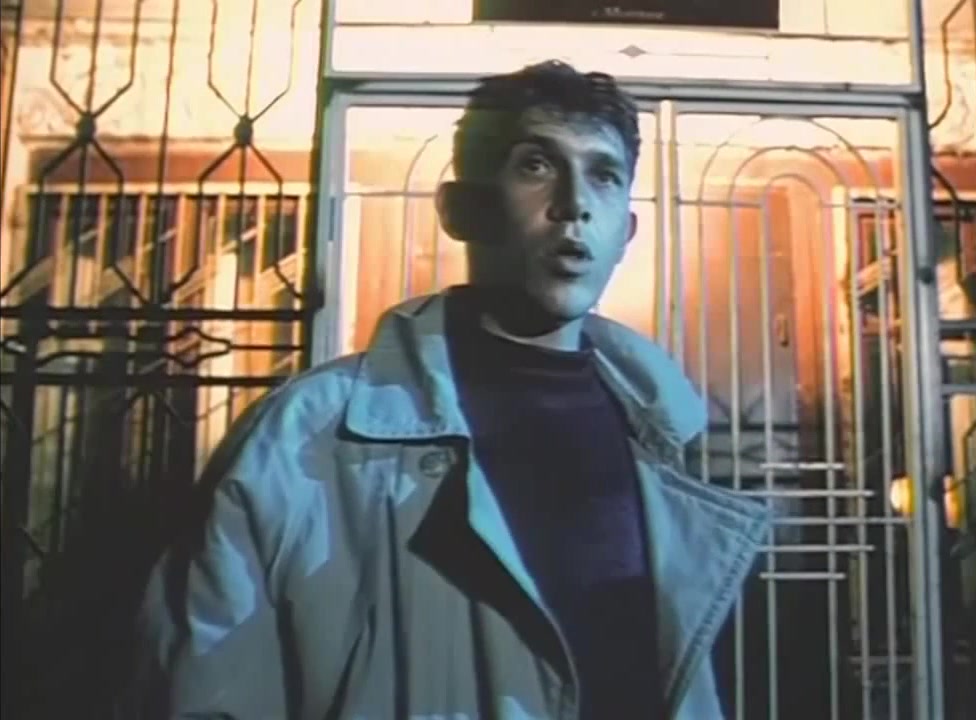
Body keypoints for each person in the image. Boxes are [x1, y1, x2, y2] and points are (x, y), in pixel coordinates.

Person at [130, 60, 770, 719]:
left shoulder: (661, 434)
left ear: (625, 233)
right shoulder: (305, 436)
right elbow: (203, 690)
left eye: (603, 175)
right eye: (536, 165)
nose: (574, 203)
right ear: (463, 209)